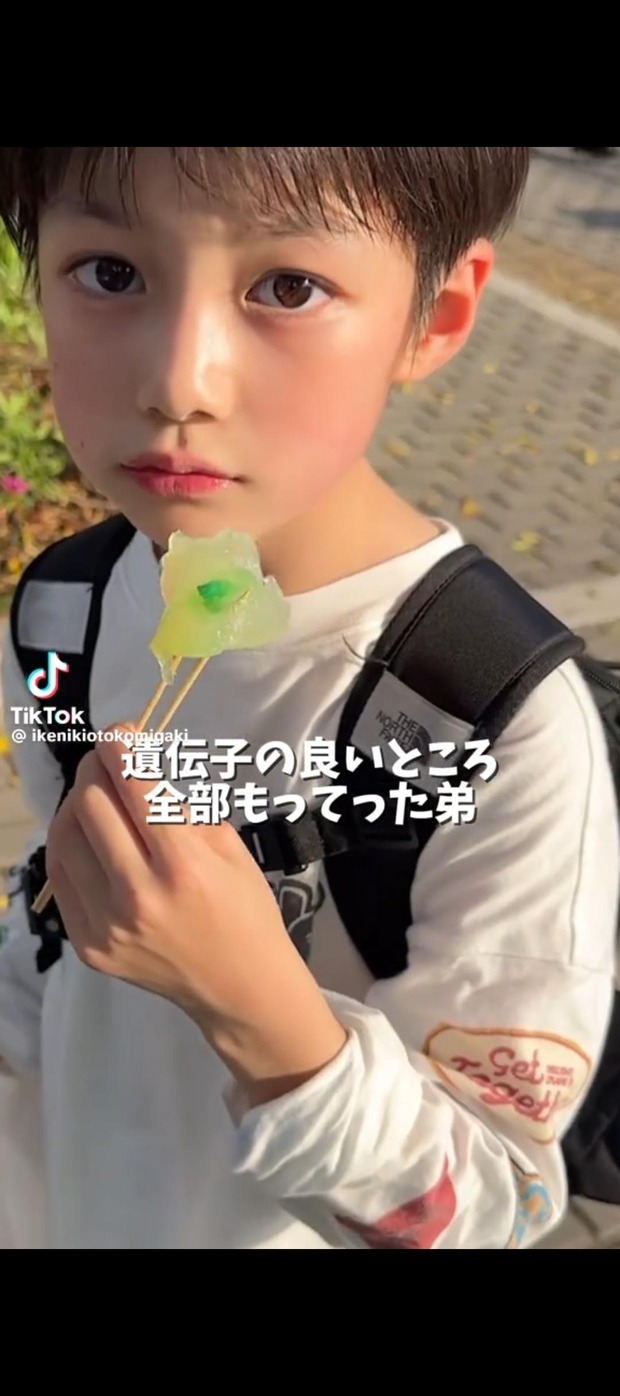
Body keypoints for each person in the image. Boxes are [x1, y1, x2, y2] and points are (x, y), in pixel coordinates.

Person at [0, 147, 617, 1251]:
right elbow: (46, 914)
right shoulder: (59, 613)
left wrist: (251, 1004)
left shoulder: (496, 725)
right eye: (109, 272)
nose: (180, 383)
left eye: (288, 286)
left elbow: (497, 1203)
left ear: (435, 316)